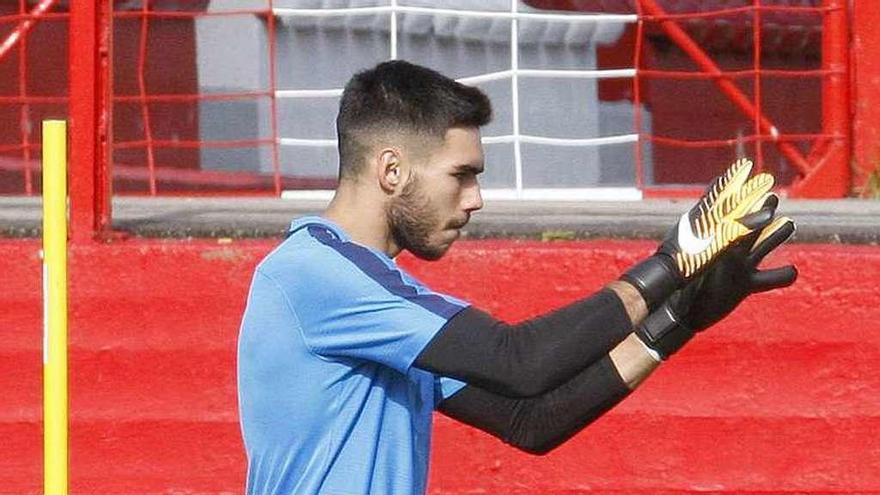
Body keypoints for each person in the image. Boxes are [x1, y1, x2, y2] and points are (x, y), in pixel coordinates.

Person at [237, 60, 797, 495]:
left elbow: (529, 420)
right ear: (391, 170)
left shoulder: (374, 295)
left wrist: (677, 319)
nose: (476, 198)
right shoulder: (317, 274)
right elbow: (519, 361)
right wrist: (669, 266)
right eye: (462, 175)